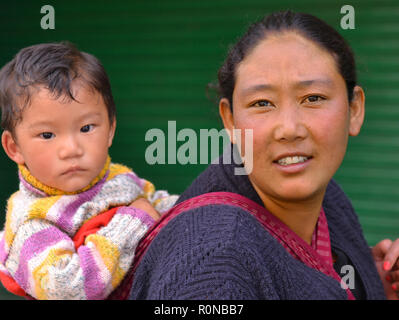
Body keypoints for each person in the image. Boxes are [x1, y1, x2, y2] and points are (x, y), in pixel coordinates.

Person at [129, 11, 399, 300]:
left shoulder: (327, 198)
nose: (289, 129)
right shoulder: (215, 259)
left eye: (313, 98)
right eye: (262, 103)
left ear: (354, 109)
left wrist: (370, 284)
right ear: (230, 121)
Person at [0, 42, 178, 300]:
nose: (71, 149)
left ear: (110, 129)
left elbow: (159, 206)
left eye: (86, 128)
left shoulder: (116, 179)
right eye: (47, 134)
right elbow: (69, 289)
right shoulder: (32, 223)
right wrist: (132, 222)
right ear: (14, 147)